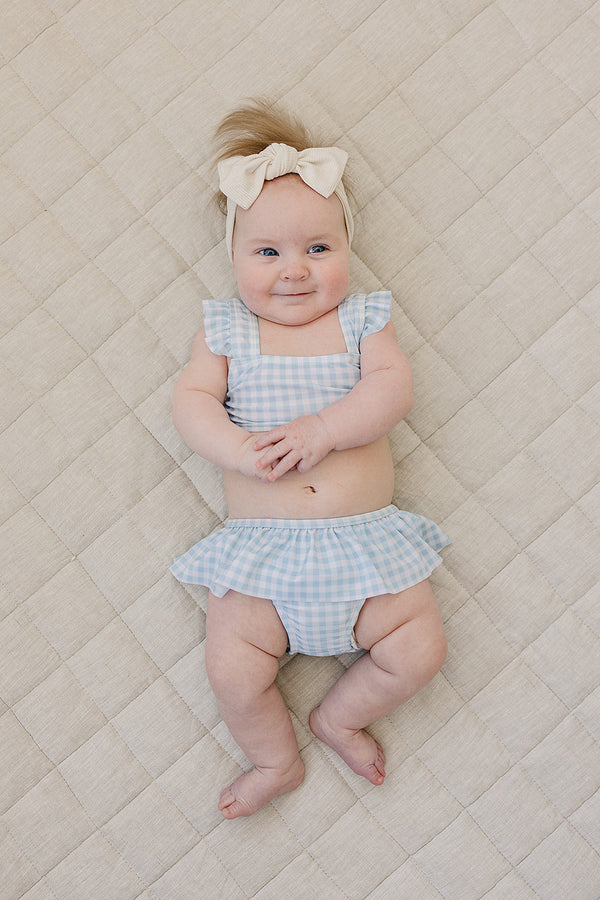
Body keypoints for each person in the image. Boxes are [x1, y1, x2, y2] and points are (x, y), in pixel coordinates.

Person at [171, 100, 449, 819]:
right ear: (234, 257)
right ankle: (275, 759)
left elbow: (392, 389)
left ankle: (339, 718)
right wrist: (237, 448)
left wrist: (325, 429)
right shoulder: (226, 331)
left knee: (419, 650)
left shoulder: (363, 320)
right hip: (262, 557)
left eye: (318, 249)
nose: (294, 270)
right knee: (232, 670)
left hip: (366, 551)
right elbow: (192, 404)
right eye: (267, 253)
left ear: (347, 247)